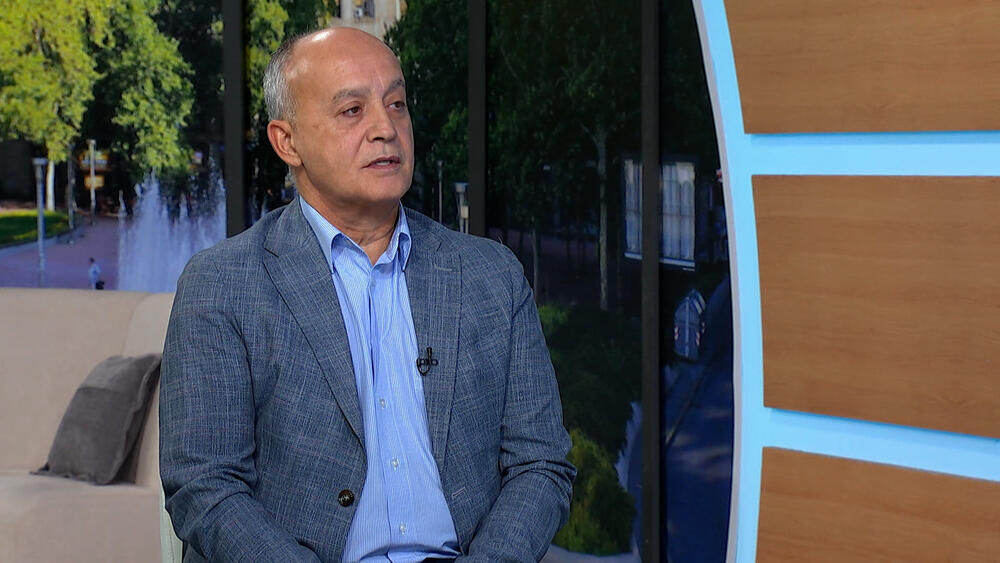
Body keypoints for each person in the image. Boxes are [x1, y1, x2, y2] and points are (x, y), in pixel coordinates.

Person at [159, 27, 575, 563]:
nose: (386, 129)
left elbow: (541, 464)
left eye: (396, 104)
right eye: (352, 110)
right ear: (287, 142)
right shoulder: (223, 284)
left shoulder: (490, 275)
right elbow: (205, 486)